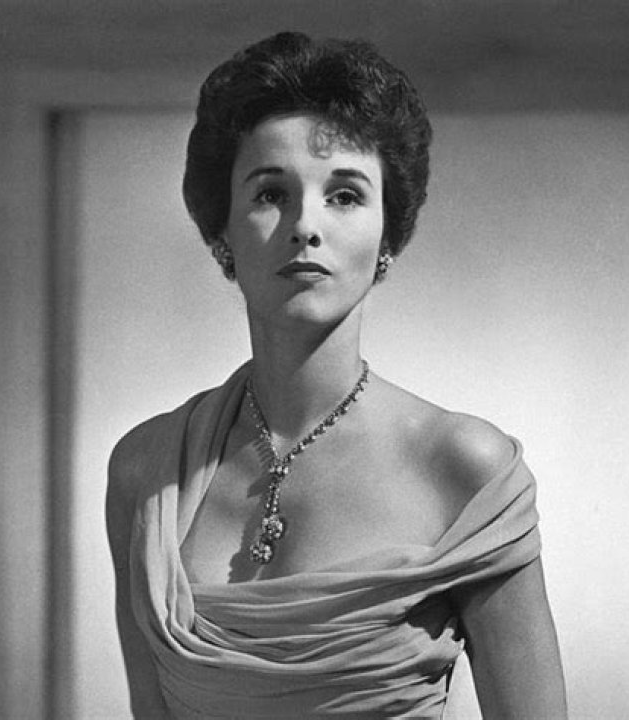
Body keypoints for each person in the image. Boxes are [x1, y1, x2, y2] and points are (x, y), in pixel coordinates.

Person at [106, 31, 568, 719]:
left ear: (388, 235)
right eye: (271, 193)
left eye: (345, 195)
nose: (305, 226)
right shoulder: (147, 471)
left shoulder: (465, 467)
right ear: (222, 232)